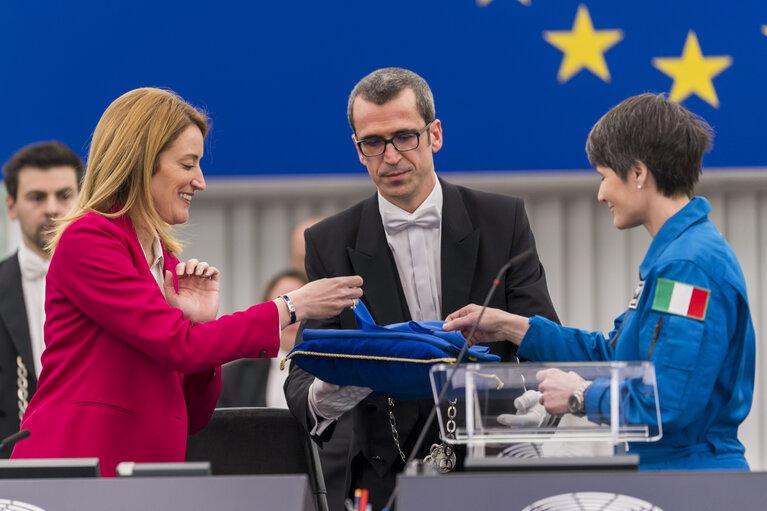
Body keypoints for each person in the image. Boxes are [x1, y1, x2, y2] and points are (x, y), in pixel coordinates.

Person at [10, 87, 363, 476]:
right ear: (143, 163)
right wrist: (290, 306)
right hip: (79, 470)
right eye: (188, 163)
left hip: (143, 475)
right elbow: (178, 346)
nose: (201, 181)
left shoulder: (163, 258)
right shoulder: (89, 239)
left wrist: (198, 321)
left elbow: (193, 413)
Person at [284, 67, 559, 508]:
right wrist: (328, 394)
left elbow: (542, 337)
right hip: (382, 471)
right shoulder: (329, 241)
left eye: (404, 137)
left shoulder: (501, 220)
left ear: (435, 134)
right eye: (373, 143)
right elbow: (303, 371)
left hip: (494, 462)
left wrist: (541, 403)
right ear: (357, 150)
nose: (390, 156)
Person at [444, 93, 755, 470]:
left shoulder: (689, 268)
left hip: (691, 481)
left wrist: (579, 395)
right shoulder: (678, 259)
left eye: (604, 176)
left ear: (638, 173)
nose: (600, 193)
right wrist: (512, 327)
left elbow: (669, 403)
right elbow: (614, 358)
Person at [0, 142, 83, 451]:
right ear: (11, 206)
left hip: (98, 465)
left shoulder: (119, 282)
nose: (52, 208)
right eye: (37, 197)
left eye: (64, 195)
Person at [218, 269, 308, 408]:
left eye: (299, 307)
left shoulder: (331, 371)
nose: (292, 317)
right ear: (267, 315)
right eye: (284, 309)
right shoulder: (232, 378)